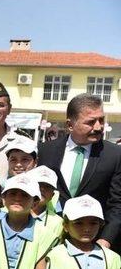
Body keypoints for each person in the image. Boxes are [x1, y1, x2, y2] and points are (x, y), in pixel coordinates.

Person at [38, 93, 121, 251]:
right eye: (90, 122)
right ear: (70, 125)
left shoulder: (115, 155)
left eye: (101, 120)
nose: (98, 127)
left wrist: (105, 241)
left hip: (93, 245)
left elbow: (117, 204)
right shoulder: (45, 151)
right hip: (49, 242)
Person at [29, 166, 63, 239]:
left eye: (47, 186)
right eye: (38, 185)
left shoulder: (58, 223)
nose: (42, 189)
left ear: (52, 195)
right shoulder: (9, 213)